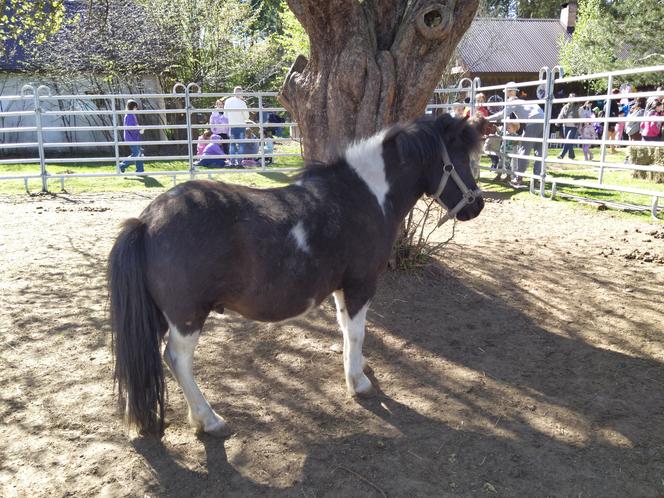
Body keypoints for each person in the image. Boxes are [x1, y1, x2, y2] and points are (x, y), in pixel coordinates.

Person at [487, 82, 545, 187]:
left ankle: (519, 178)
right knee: (539, 150)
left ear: (508, 93)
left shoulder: (512, 101)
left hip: (533, 121)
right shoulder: (523, 102)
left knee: (523, 149)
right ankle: (537, 178)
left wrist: (486, 119)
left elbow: (502, 114)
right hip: (543, 120)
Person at [224, 87, 250, 166]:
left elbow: (225, 115)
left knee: (232, 144)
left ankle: (232, 162)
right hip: (241, 125)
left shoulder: (228, 101)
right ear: (240, 93)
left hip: (232, 125)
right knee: (241, 144)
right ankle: (239, 162)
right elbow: (247, 116)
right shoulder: (242, 103)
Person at [118, 99, 144, 173]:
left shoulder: (131, 115)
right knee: (137, 153)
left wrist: (139, 128)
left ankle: (140, 170)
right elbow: (131, 128)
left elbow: (134, 126)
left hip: (134, 138)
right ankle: (122, 165)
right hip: (131, 138)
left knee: (139, 153)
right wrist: (139, 129)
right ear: (134, 107)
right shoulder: (129, 116)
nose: (136, 109)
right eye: (136, 107)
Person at [557, 93, 580, 160]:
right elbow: (561, 114)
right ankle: (571, 155)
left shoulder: (577, 106)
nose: (571, 98)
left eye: (573, 97)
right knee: (569, 141)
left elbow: (581, 114)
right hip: (566, 126)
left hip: (574, 126)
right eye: (570, 97)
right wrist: (558, 121)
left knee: (568, 139)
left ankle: (562, 155)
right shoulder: (565, 106)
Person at [603, 88, 620, 153]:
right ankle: (604, 149)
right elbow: (610, 111)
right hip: (610, 120)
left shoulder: (610, 100)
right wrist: (612, 121)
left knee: (613, 134)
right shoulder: (611, 101)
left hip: (611, 120)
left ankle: (612, 149)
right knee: (608, 134)